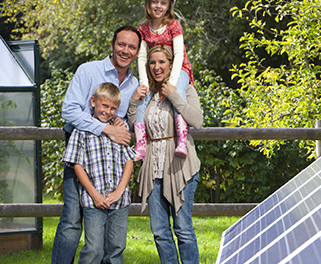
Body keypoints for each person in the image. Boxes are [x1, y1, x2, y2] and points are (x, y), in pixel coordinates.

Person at [51, 26, 142, 264]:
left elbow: (125, 123)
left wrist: (120, 124)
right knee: (71, 221)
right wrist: (106, 128)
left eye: (132, 47)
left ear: (138, 51)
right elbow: (69, 110)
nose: (125, 50)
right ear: (112, 45)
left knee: (107, 232)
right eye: (121, 44)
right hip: (82, 154)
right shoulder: (88, 70)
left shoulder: (135, 84)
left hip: (111, 164)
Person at [128, 45, 203, 264]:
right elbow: (136, 126)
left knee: (182, 228)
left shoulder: (185, 88)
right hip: (153, 168)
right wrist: (134, 101)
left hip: (180, 166)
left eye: (161, 62)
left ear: (171, 64)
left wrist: (175, 97)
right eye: (152, 62)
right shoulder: (147, 94)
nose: (156, 67)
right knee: (160, 231)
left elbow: (197, 121)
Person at [62, 82, 134, 264]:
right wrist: (94, 194)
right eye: (104, 105)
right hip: (94, 202)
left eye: (113, 108)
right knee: (94, 248)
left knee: (116, 249)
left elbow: (129, 162)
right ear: (93, 102)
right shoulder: (81, 131)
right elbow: (77, 165)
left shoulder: (119, 131)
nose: (108, 111)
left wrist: (119, 191)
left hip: (119, 202)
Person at [133, 0, 194, 161]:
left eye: (163, 2)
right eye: (154, 2)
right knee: (142, 98)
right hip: (155, 73)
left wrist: (172, 82)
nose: (158, 6)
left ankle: (182, 141)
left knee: (177, 93)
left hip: (178, 70)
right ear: (148, 4)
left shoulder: (174, 25)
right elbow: (141, 58)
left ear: (169, 6)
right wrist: (144, 83)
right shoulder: (143, 29)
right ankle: (140, 144)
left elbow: (179, 54)